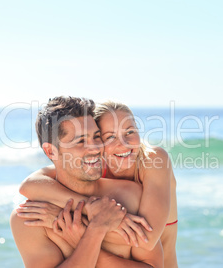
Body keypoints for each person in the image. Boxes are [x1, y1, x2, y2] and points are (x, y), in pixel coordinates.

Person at [17, 100, 178, 267]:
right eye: (110, 137)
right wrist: (89, 208)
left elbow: (146, 239)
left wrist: (63, 220)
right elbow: (29, 185)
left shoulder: (153, 160)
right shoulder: (93, 165)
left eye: (130, 131)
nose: (123, 143)